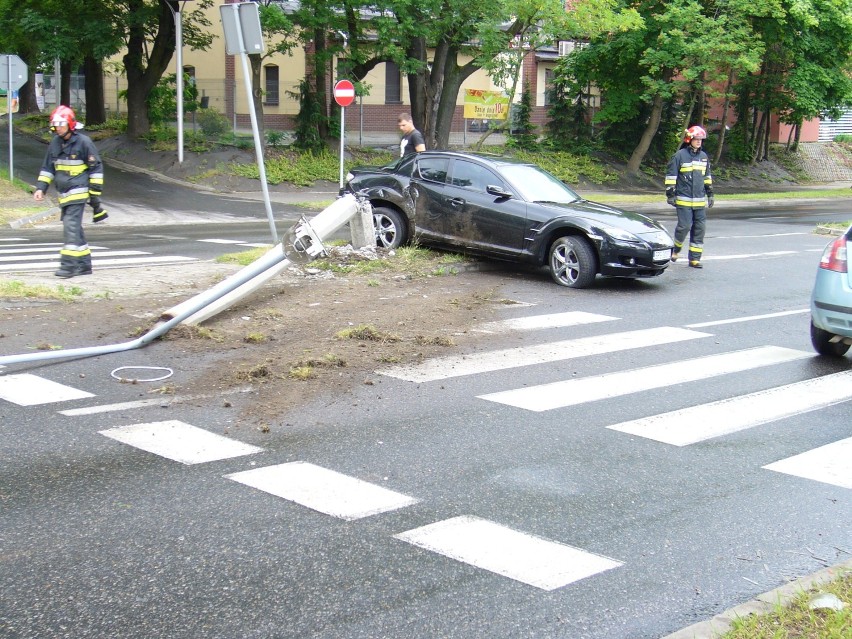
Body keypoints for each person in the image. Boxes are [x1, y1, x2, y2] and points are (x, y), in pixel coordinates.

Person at [33, 105, 104, 278]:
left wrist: (94, 193)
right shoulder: (55, 143)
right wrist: (40, 188)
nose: (58, 128)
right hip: (63, 193)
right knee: (75, 228)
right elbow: (48, 167)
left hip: (79, 191)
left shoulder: (84, 143)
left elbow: (96, 168)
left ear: (70, 125)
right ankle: (84, 264)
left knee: (70, 226)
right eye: (56, 125)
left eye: (62, 125)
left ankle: (68, 265)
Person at [665, 125, 714, 268]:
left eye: (701, 139)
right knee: (684, 226)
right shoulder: (679, 156)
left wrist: (710, 194)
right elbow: (671, 176)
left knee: (700, 229)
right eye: (696, 139)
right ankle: (676, 249)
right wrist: (670, 194)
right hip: (684, 199)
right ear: (689, 139)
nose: (699, 142)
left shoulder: (704, 157)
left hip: (699, 201)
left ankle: (694, 259)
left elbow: (707, 177)